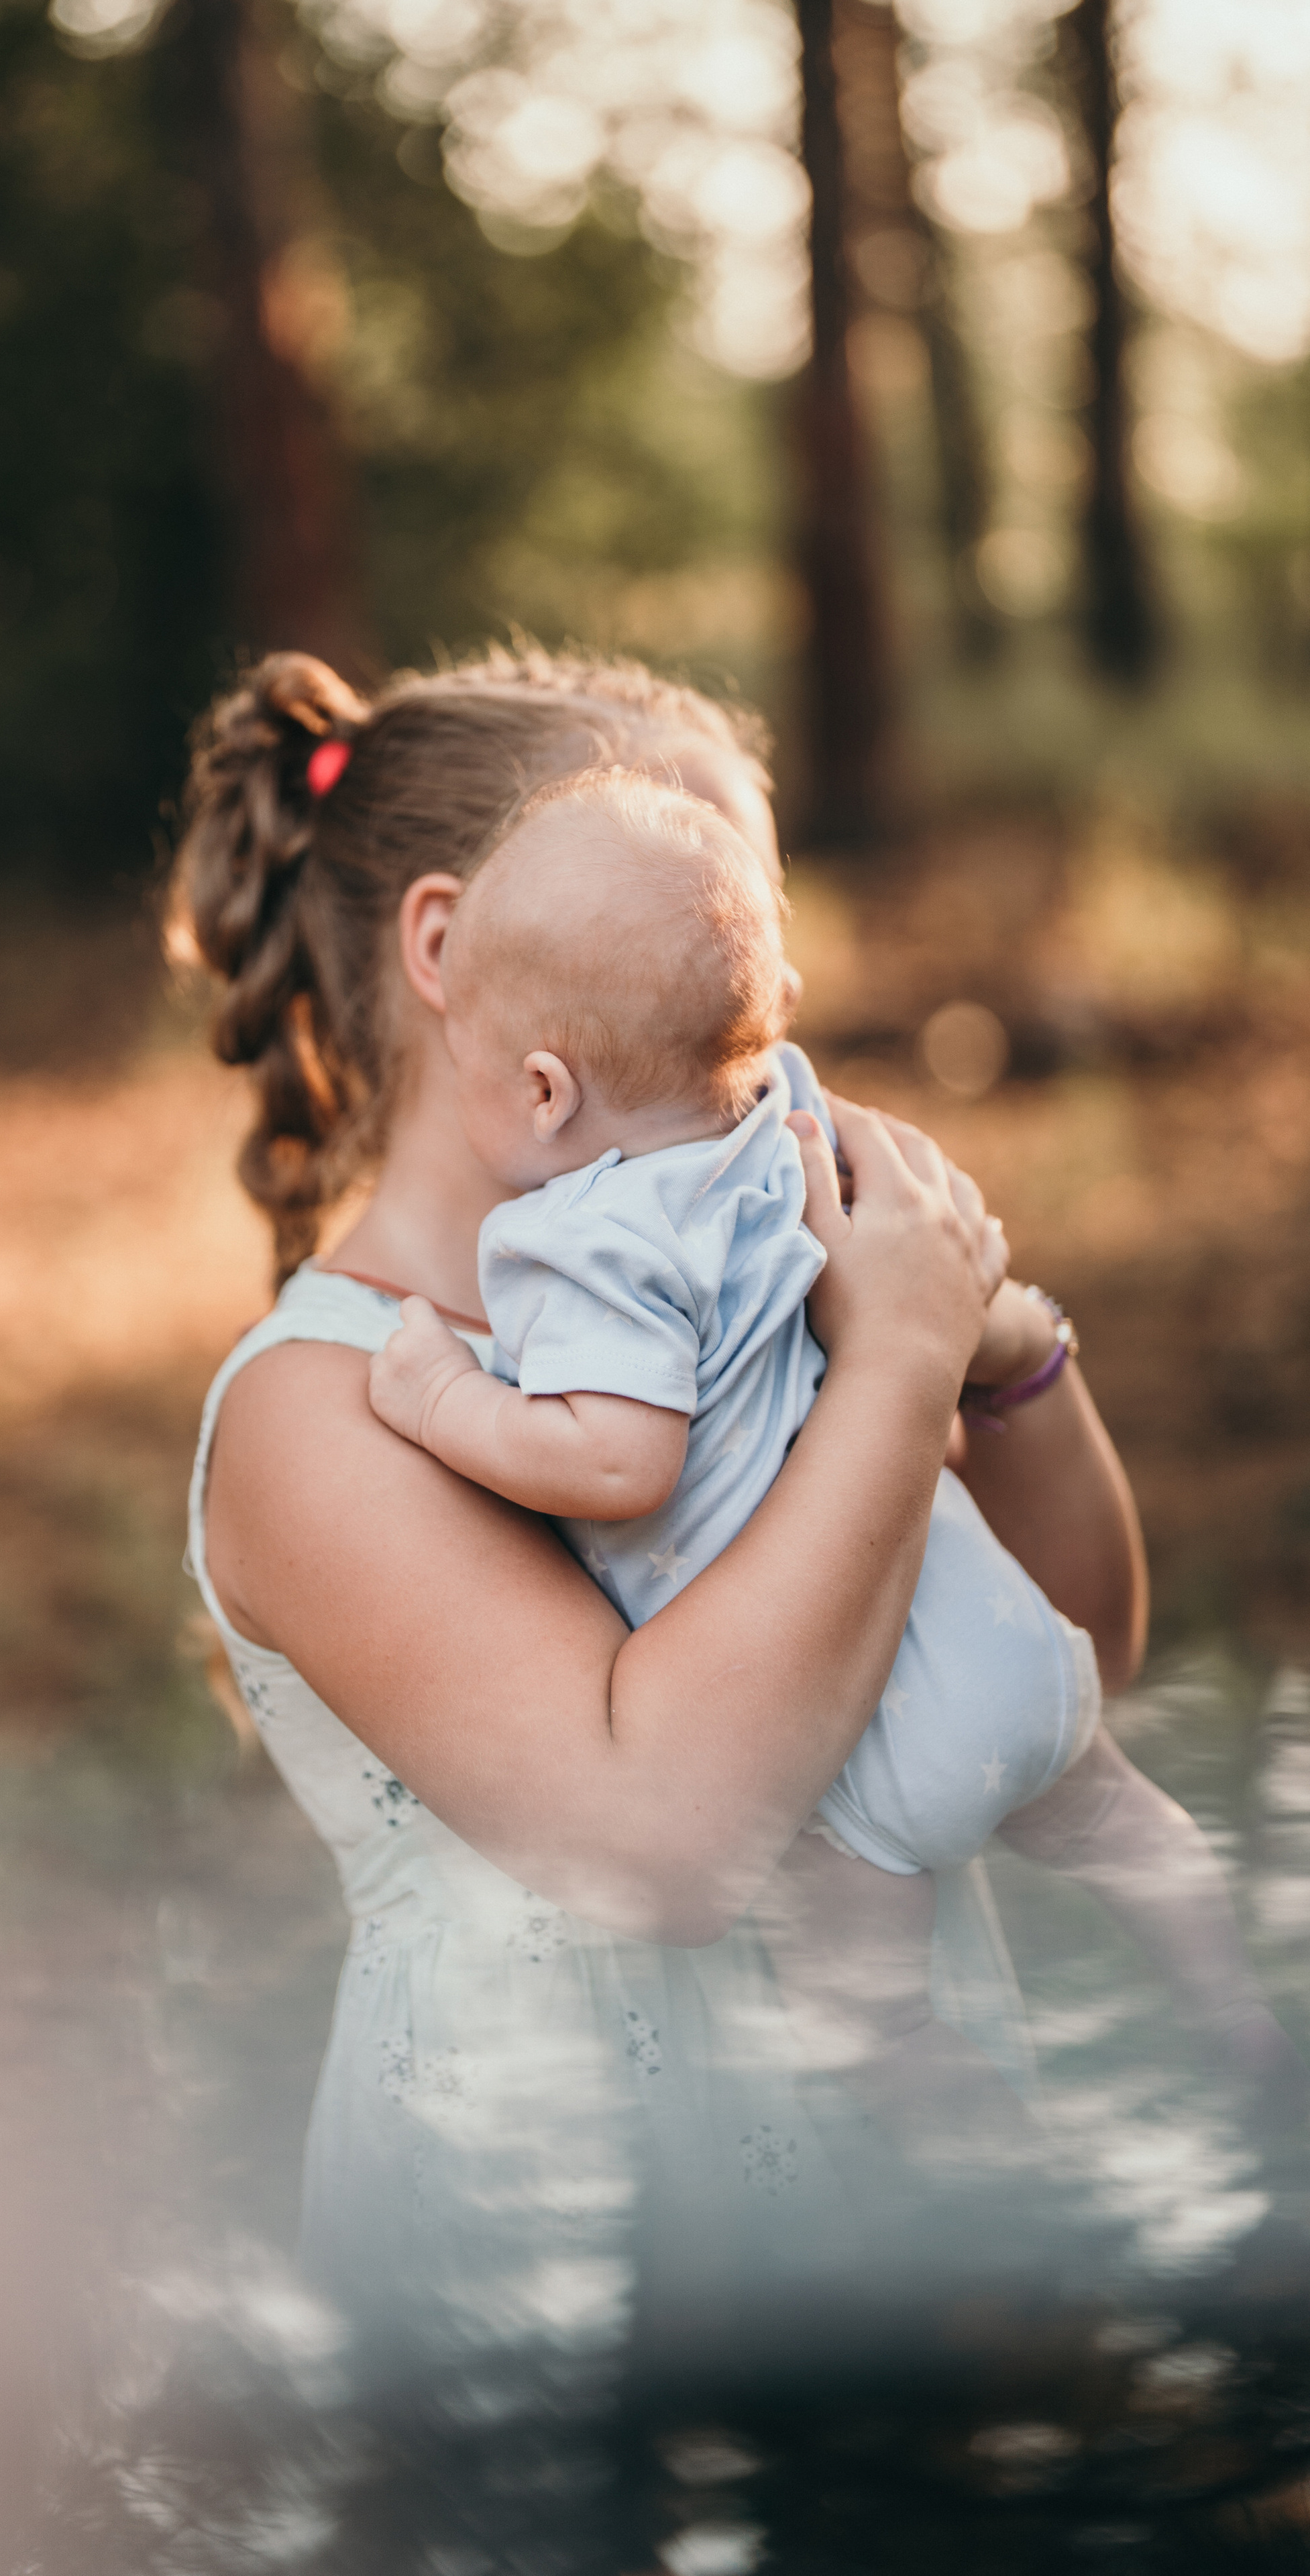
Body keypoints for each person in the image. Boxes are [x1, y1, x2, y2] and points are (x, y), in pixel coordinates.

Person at [172, 644, 1146, 2373]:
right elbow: (661, 1839)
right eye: (695, 968)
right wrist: (889, 1379)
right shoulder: (328, 1411)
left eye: (753, 980)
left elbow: (1076, 1659)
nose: (752, 1045)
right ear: (450, 952)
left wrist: (997, 1358)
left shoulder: (784, 1274)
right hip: (561, 2265)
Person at [363, 762, 1303, 2145]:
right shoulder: (792, 1127)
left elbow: (619, 1459)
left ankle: (1011, 2181)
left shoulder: (583, 1240)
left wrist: (444, 1401)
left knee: (861, 2008)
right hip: (988, 1636)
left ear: (544, 1088)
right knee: (1138, 1841)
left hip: (849, 1745)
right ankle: (1242, 2033)